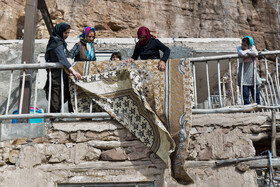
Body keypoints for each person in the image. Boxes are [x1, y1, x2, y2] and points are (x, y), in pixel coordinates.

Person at [44, 22, 82, 114]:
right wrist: (73, 71)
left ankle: (58, 115)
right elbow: (62, 59)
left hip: (62, 75)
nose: (67, 35)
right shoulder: (56, 43)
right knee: (55, 96)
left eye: (68, 33)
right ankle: (53, 118)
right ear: (60, 32)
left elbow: (66, 56)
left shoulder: (61, 42)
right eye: (65, 33)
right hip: (55, 76)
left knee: (62, 95)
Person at [237, 36, 262, 105]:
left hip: (252, 74)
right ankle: (248, 109)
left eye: (245, 45)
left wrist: (247, 51)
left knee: (255, 93)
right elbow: (241, 53)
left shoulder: (252, 48)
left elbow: (255, 53)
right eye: (242, 44)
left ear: (249, 45)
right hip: (243, 75)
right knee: (245, 94)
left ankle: (258, 107)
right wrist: (248, 51)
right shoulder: (239, 48)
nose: (243, 46)